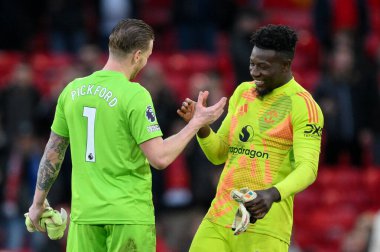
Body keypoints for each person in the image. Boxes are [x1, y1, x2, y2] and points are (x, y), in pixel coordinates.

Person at [27, 18, 227, 252]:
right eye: (148, 55)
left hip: (85, 218)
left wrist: (37, 204)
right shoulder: (134, 94)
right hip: (128, 216)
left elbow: (53, 152)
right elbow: (159, 158)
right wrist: (196, 123)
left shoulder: (72, 91)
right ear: (138, 55)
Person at [177, 24, 324, 251]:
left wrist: (272, 194)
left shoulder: (304, 106)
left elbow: (308, 169)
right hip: (220, 217)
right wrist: (201, 126)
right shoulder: (243, 92)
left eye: (263, 67)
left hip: (264, 226)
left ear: (285, 65)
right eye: (252, 64)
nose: (255, 72)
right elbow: (218, 154)